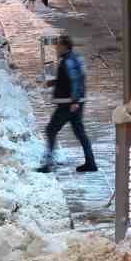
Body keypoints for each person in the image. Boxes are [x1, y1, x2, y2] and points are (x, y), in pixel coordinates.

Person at [37, 34, 97, 173]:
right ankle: (91, 162)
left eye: (58, 45)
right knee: (80, 133)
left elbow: (75, 80)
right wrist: (52, 82)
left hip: (68, 104)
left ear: (64, 46)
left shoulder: (67, 62)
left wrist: (74, 100)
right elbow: (73, 79)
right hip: (76, 103)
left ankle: (47, 164)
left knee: (51, 129)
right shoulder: (76, 58)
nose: (56, 48)